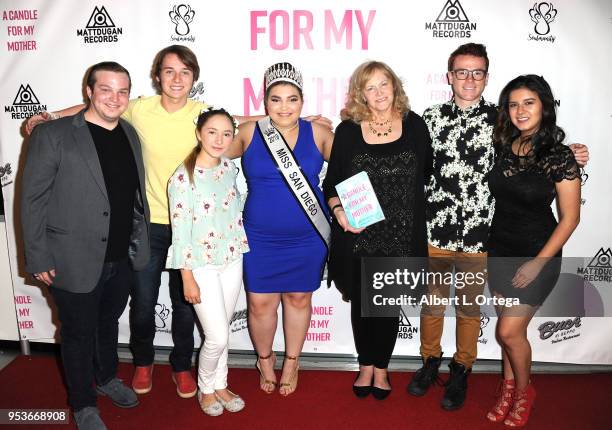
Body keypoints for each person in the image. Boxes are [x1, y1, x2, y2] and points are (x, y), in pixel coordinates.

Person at [407, 43, 589, 411]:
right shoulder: (428, 117)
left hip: (481, 236)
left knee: (470, 310)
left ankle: (461, 369)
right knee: (433, 305)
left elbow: (535, 146)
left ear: (486, 77)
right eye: (461, 72)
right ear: (449, 77)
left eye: (477, 72)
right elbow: (397, 144)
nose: (469, 79)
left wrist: (570, 150)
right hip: (435, 231)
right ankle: (429, 363)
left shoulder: (499, 121)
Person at [21, 62, 150, 430]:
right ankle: (83, 403)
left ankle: (107, 378)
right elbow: (32, 200)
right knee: (77, 333)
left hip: (121, 257)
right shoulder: (54, 134)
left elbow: (132, 197)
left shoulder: (130, 133)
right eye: (106, 89)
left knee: (108, 323)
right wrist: (39, 254)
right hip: (70, 258)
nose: (114, 97)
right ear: (89, 92)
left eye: (122, 90)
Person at [323, 61, 432, 400]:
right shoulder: (348, 131)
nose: (379, 92)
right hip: (358, 236)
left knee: (385, 307)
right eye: (370, 87)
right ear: (361, 95)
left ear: (394, 86)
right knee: (361, 305)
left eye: (384, 83)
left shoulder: (415, 126)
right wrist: (339, 211)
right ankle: (365, 366)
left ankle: (381, 369)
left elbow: (426, 174)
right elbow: (332, 183)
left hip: (400, 238)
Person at [229, 62, 334, 396]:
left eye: (292, 99)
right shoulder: (248, 132)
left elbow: (351, 166)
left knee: (299, 297)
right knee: (259, 304)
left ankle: (291, 360)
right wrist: (243, 119)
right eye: (276, 99)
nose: (284, 107)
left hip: (307, 236)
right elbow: (211, 140)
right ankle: (264, 358)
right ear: (265, 101)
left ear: (303, 101)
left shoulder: (318, 133)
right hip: (259, 237)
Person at [485, 74, 580, 427]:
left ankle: (525, 391)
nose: (520, 110)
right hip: (500, 249)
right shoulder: (503, 145)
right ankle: (508, 387)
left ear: (544, 106)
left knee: (508, 332)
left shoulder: (559, 155)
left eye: (529, 102)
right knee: (511, 332)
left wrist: (538, 264)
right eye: (513, 104)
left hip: (537, 255)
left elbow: (569, 219)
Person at [166, 108, 249, 416]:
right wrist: (187, 277)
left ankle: (222, 384)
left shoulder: (229, 167)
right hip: (201, 265)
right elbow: (180, 230)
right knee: (216, 336)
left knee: (222, 329)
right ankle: (206, 388)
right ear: (199, 132)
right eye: (212, 132)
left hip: (232, 258)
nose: (220, 139)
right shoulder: (182, 178)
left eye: (227, 133)